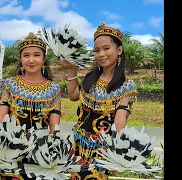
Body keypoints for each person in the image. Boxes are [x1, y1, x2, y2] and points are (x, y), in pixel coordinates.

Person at [57, 23, 138, 180]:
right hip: (79, 147)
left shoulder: (127, 86)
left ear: (119, 50)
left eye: (106, 48)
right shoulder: (91, 77)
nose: (101, 54)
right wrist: (72, 69)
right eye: (97, 50)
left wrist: (118, 152)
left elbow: (120, 122)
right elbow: (73, 95)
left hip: (103, 151)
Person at [0, 32, 62, 180]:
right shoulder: (10, 85)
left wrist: (51, 149)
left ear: (44, 59)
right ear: (20, 59)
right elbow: (0, 119)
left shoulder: (54, 89)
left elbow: (54, 125)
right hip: (12, 151)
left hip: (41, 153)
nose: (31, 60)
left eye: (36, 55)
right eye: (26, 55)